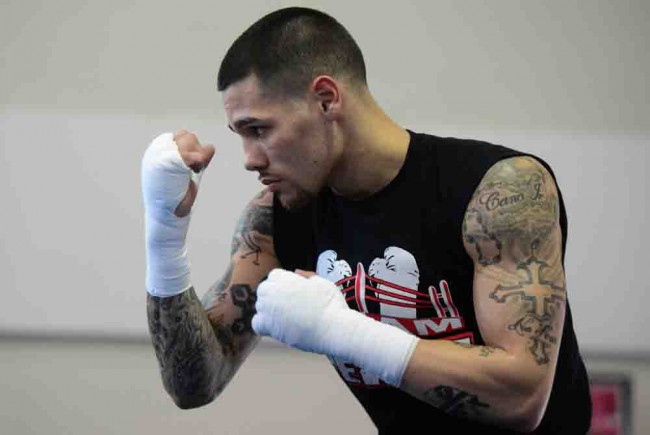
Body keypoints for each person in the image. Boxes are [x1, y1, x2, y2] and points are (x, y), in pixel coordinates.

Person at [141, 7, 591, 434]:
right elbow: (195, 384)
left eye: (259, 129)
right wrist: (164, 232)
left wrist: (342, 332)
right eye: (240, 135)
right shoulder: (277, 218)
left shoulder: (498, 191)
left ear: (325, 99)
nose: (249, 159)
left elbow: (522, 397)